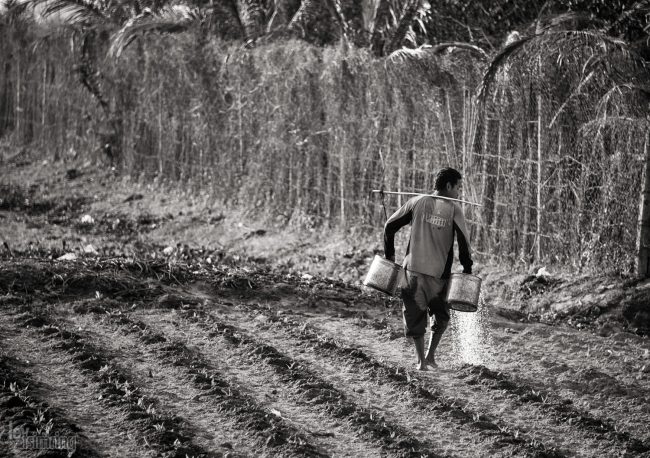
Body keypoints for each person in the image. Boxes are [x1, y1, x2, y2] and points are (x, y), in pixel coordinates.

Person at [383, 167, 473, 371]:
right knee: (441, 316)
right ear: (448, 186)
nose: (459, 192)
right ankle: (430, 356)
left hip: (412, 272)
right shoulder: (454, 209)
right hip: (438, 276)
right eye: (458, 187)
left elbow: (389, 226)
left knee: (414, 315)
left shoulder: (417, 202)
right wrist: (467, 268)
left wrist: (390, 258)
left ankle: (420, 361)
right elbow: (464, 243)